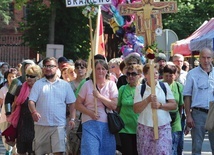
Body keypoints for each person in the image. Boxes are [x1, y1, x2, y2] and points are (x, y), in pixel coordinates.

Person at [28, 57, 76, 155]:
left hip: (58, 125)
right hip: (41, 124)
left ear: (57, 67)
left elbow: (72, 103)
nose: (48, 68)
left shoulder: (65, 85)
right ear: (43, 68)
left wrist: (72, 119)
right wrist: (34, 112)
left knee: (58, 152)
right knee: (39, 152)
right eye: (46, 66)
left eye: (51, 66)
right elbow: (31, 101)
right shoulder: (38, 84)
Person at [75, 59, 118, 155]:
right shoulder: (87, 84)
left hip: (108, 125)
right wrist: (90, 113)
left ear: (107, 71)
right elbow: (77, 104)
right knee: (91, 151)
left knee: (107, 152)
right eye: (98, 68)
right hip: (90, 123)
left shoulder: (111, 85)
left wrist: (99, 96)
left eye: (103, 68)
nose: (101, 71)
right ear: (93, 71)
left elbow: (114, 105)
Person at [133, 63, 176, 155]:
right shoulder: (140, 88)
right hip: (145, 126)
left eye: (156, 73)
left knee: (162, 152)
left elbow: (173, 105)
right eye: (151, 73)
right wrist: (147, 100)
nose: (155, 75)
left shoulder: (164, 86)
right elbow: (136, 109)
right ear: (146, 75)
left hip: (163, 126)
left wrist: (160, 105)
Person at [183, 47, 214, 155]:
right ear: (199, 58)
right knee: (196, 147)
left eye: (208, 57)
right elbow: (187, 96)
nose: (206, 60)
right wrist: (188, 115)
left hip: (213, 112)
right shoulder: (192, 74)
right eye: (203, 58)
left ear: (212, 58)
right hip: (198, 113)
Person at [8, 65, 42, 155]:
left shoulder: (42, 89)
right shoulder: (20, 88)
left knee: (35, 150)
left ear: (38, 77)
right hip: (22, 123)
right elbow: (15, 104)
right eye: (27, 75)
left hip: (37, 123)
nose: (29, 78)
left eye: (32, 76)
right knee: (21, 150)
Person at [117, 64, 143, 155]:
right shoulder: (122, 89)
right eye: (128, 74)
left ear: (140, 75)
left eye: (133, 74)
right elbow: (118, 107)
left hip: (140, 128)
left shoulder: (144, 89)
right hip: (125, 128)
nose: (130, 76)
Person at [163, 64, 184, 155]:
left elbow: (181, 105)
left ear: (175, 75)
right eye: (166, 76)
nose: (168, 78)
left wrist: (180, 119)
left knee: (174, 146)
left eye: (171, 76)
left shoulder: (179, 87)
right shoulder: (159, 85)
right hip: (162, 120)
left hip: (175, 120)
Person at [0, 68, 18, 155]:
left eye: (14, 77)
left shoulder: (19, 88)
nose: (12, 79)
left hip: (16, 117)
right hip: (4, 117)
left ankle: (14, 152)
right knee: (5, 136)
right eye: (10, 77)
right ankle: (8, 151)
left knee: (15, 137)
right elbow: (1, 104)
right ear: (7, 78)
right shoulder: (3, 89)